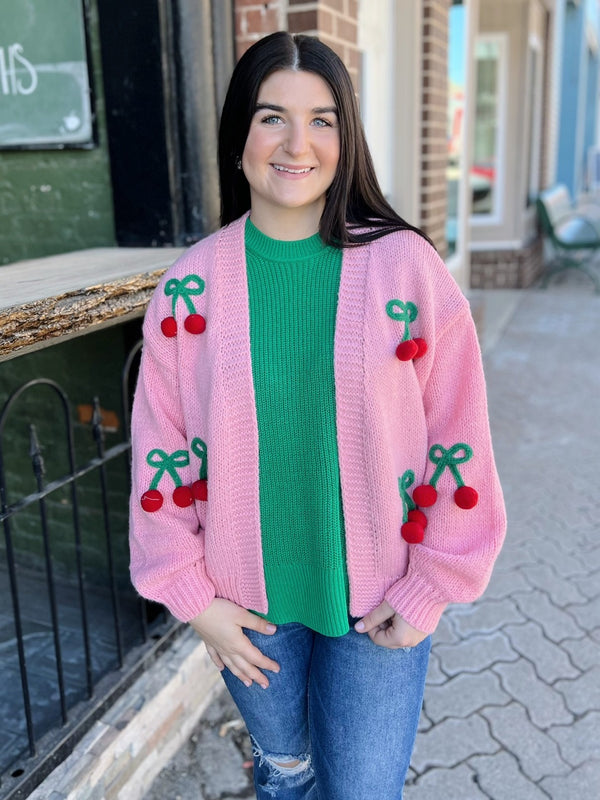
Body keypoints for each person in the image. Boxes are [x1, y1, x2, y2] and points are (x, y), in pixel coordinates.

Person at [129, 31, 506, 800]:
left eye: (323, 119)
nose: (297, 143)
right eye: (272, 117)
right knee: (286, 777)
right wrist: (195, 602)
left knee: (362, 792)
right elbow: (159, 451)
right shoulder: (188, 290)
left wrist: (433, 586)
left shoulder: (407, 270)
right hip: (250, 608)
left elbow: (456, 435)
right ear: (239, 136)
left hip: (380, 601)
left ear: (347, 138)